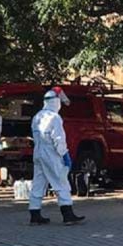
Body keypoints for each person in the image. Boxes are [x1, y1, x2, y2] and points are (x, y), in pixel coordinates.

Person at [27, 90, 85, 226]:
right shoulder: (55, 117)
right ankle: (68, 214)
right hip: (52, 154)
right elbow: (58, 139)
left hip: (38, 152)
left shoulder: (37, 116)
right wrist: (64, 154)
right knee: (61, 182)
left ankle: (34, 214)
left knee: (38, 183)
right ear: (56, 101)